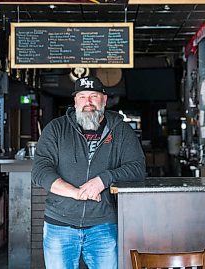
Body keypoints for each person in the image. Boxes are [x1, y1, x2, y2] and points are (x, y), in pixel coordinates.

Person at [31, 75, 146, 269]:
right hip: (59, 224)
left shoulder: (121, 130)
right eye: (83, 96)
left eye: (93, 95)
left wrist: (104, 180)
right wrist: (76, 193)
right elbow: (40, 171)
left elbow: (137, 169)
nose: (88, 102)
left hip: (103, 224)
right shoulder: (56, 129)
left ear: (104, 99)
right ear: (75, 101)